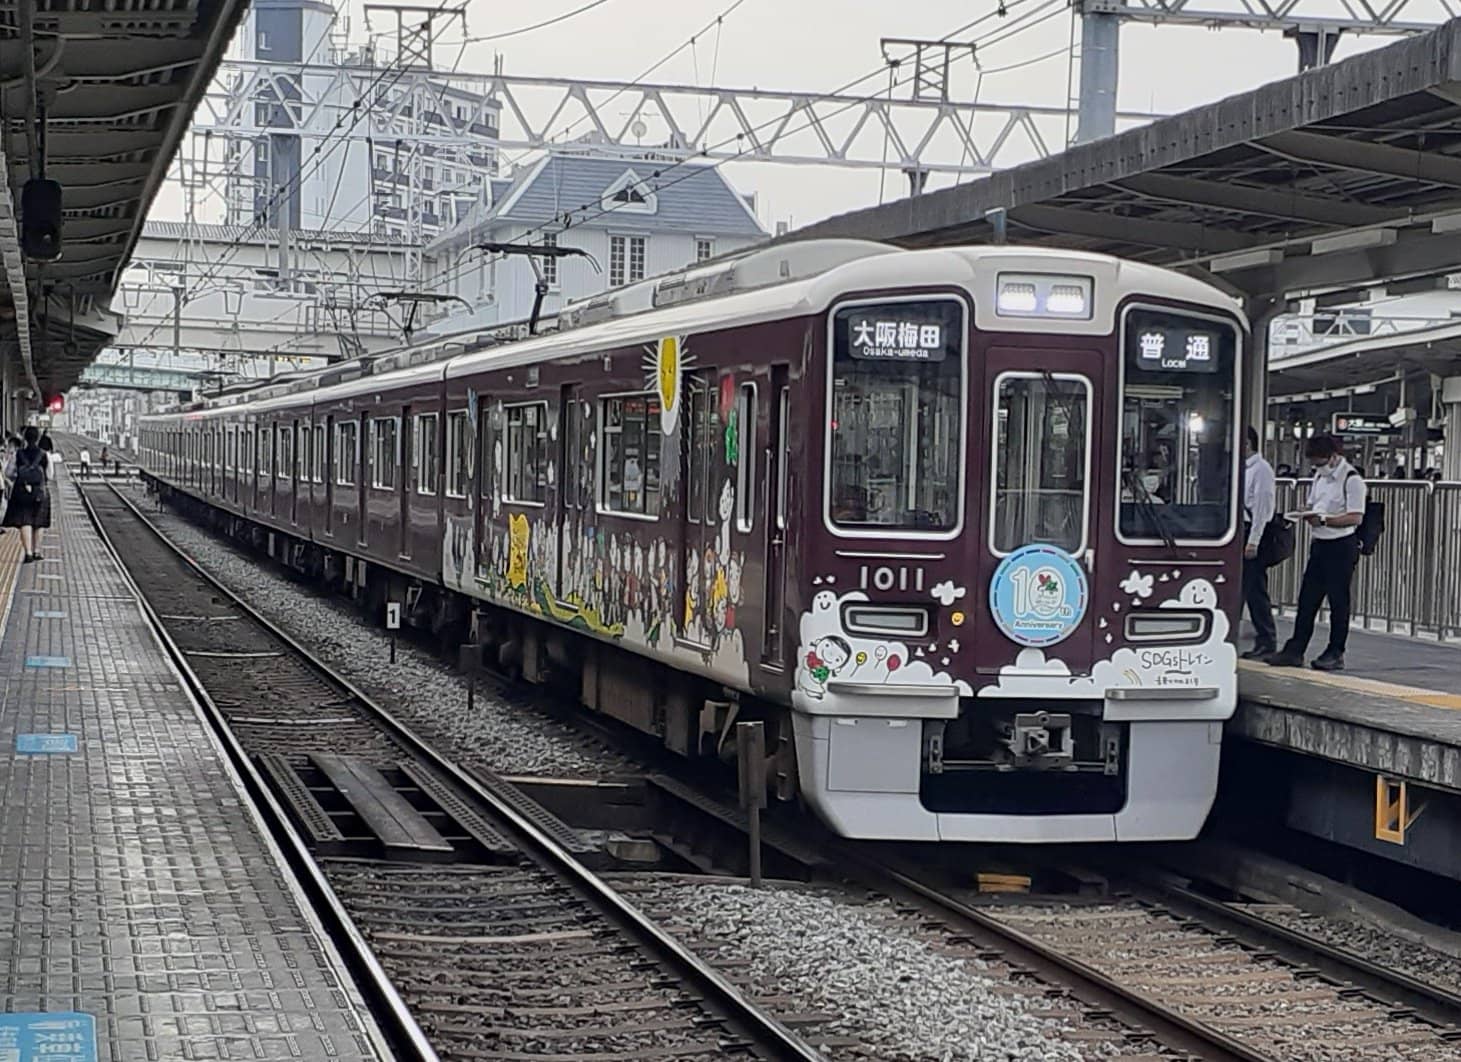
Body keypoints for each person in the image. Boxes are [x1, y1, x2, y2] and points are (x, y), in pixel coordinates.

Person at [1266, 433, 1367, 672]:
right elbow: (1313, 504)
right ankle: (1295, 649)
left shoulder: (1352, 480)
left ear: (1334, 457)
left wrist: (1325, 521)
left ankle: (1335, 651)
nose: (1317, 467)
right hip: (1320, 544)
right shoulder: (1318, 478)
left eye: (1320, 462)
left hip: (1341, 545)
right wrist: (1301, 513)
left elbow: (1355, 516)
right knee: (1307, 599)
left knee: (1338, 601)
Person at [1241, 427, 1278, 659]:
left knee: (1255, 589)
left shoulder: (1261, 470)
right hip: (1241, 531)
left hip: (1252, 533)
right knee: (1246, 588)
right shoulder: (1243, 468)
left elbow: (1262, 509)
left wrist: (1253, 541)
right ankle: (1263, 638)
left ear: (1247, 443)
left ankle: (1267, 639)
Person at [2, 426, 50, 561]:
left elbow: (8, 473)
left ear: (24, 438)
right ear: (38, 438)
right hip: (40, 491)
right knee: (39, 522)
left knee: (25, 520)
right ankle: (37, 551)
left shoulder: (18, 454)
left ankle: (28, 552)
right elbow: (50, 475)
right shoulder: (44, 455)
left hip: (21, 491)